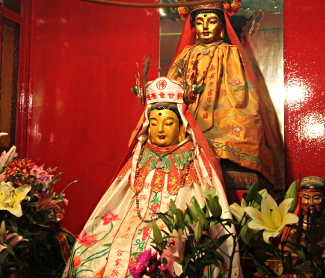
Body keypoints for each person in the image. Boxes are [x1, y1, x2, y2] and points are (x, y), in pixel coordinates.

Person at [63, 77, 241, 278]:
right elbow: (118, 195)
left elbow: (203, 198)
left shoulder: (193, 155)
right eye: (155, 123)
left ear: (181, 126)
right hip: (132, 222)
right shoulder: (140, 154)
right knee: (89, 257)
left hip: (177, 228)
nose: (161, 130)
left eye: (168, 122)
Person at [167, 0, 283, 190]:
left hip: (227, 106)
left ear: (221, 27)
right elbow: (172, 86)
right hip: (191, 108)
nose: (205, 27)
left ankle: (228, 160)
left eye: (211, 21)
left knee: (243, 123)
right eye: (200, 22)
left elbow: (243, 91)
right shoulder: (186, 55)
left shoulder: (231, 52)